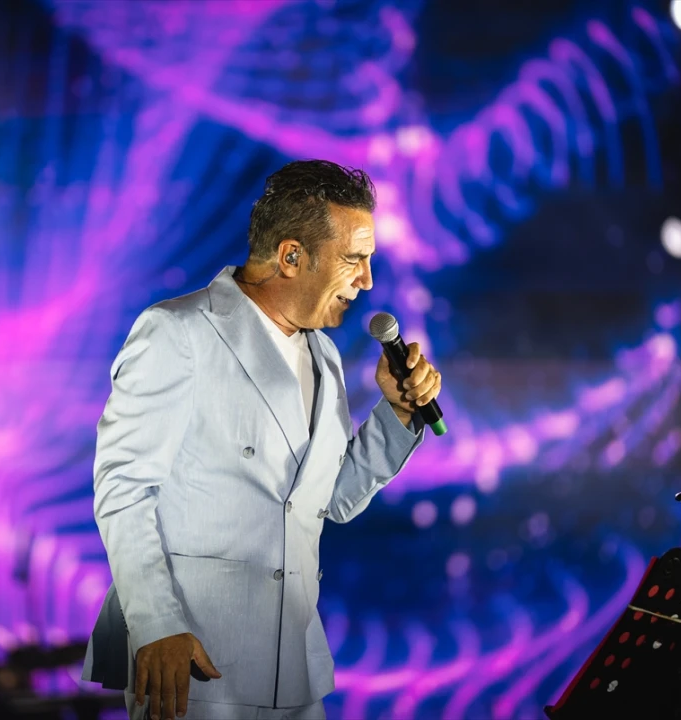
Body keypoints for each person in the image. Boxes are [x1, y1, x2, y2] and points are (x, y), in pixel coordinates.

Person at [80, 160, 442, 720]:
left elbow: (328, 500)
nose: (367, 280)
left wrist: (395, 413)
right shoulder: (178, 332)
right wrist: (156, 626)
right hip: (191, 663)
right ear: (291, 256)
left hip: (294, 667)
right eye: (354, 259)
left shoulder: (324, 355)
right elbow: (123, 488)